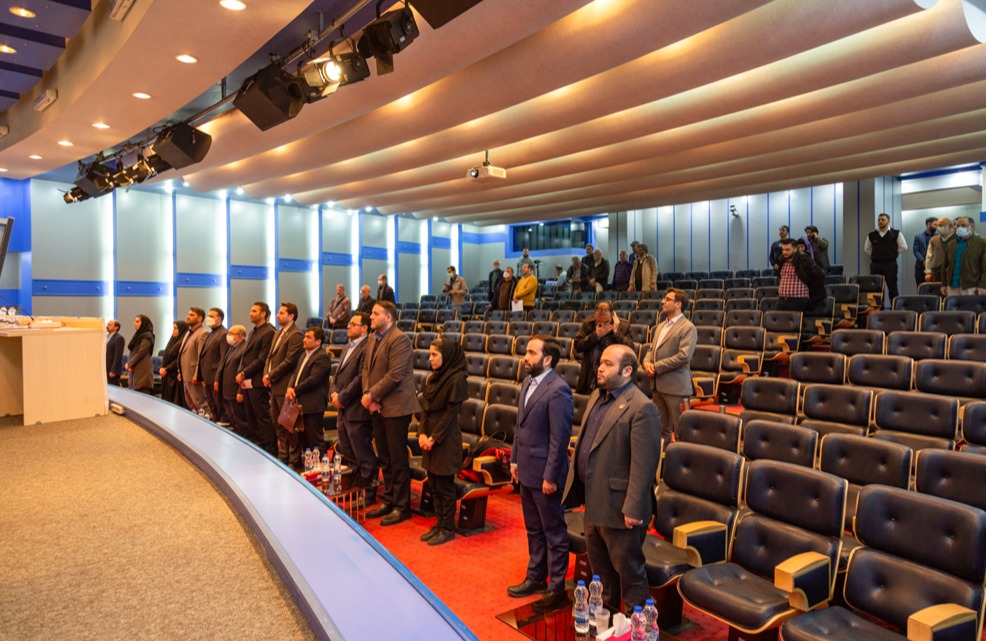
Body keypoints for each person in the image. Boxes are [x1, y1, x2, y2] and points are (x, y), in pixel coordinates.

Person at [563, 344, 661, 613]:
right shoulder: (597, 396)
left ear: (627, 371)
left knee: (630, 577)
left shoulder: (642, 407)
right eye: (600, 363)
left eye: (608, 364)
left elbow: (644, 465)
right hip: (594, 502)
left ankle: (636, 626)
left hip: (621, 510)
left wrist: (633, 508)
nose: (600, 368)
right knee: (602, 576)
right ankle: (606, 622)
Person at [508, 336, 574, 609]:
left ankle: (556, 588)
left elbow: (560, 439)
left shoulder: (559, 390)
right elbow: (519, 427)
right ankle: (536, 576)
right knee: (533, 529)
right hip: (526, 469)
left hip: (546, 475)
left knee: (554, 533)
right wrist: (514, 460)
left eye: (532, 353)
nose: (525, 357)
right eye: (526, 352)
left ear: (547, 359)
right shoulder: (527, 382)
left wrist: (550, 476)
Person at [362, 301, 420, 526]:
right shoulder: (372, 338)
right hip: (377, 405)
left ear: (388, 317)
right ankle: (389, 500)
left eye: (375, 313)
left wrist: (372, 396)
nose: (371, 316)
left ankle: (402, 506)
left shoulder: (399, 339)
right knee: (384, 458)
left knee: (397, 459)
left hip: (396, 407)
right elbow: (366, 370)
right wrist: (369, 395)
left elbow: (395, 375)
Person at [418, 337, 467, 547]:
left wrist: (433, 438)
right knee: (434, 484)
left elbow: (450, 414)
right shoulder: (432, 378)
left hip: (445, 439)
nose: (430, 359)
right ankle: (439, 524)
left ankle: (448, 528)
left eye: (434, 354)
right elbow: (425, 409)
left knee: (445, 487)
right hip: (429, 436)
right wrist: (421, 434)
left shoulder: (457, 378)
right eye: (429, 354)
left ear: (446, 356)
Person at [642, 288, 697, 443]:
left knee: (681, 430)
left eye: (667, 299)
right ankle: (663, 456)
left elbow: (683, 356)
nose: (663, 302)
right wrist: (646, 362)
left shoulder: (688, 327)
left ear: (678, 304)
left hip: (676, 387)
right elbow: (651, 349)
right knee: (660, 428)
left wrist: (656, 366)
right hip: (657, 385)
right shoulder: (660, 326)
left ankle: (683, 457)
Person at [331, 312, 377, 490]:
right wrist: (334, 393)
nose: (348, 326)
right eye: (349, 324)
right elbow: (337, 375)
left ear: (364, 328)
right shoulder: (347, 347)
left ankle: (368, 491)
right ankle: (355, 486)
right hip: (343, 409)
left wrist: (342, 397)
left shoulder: (367, 347)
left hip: (357, 408)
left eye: (353, 324)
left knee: (362, 453)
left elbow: (360, 378)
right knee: (348, 451)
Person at [286, 326, 332, 464]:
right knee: (303, 440)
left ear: (318, 341)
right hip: (300, 404)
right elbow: (295, 374)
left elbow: (313, 380)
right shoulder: (304, 354)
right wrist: (290, 387)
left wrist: (295, 390)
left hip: (313, 405)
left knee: (315, 441)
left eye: (308, 337)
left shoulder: (322, 357)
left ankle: (321, 468)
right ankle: (309, 467)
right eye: (304, 336)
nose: (304, 339)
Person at [266, 302, 304, 468]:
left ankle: (294, 459)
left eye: (281, 313)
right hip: (274, 385)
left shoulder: (295, 335)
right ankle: (283, 456)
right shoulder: (278, 332)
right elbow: (270, 357)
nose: (277, 315)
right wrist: (266, 374)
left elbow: (289, 362)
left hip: (285, 385)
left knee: (289, 425)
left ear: (291, 316)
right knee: (277, 422)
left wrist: (271, 375)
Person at [236, 302, 275, 451]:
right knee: (251, 418)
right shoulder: (253, 331)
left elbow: (262, 359)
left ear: (263, 314)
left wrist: (244, 372)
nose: (250, 313)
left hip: (258, 381)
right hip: (248, 381)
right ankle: (257, 447)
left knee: (262, 419)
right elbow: (246, 357)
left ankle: (270, 450)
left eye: (254, 311)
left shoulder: (269, 332)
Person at [573, 302, 634, 394]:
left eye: (606, 322)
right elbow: (577, 345)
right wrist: (596, 335)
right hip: (589, 374)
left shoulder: (624, 326)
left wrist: (616, 333)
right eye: (599, 322)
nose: (602, 325)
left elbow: (630, 350)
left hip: (611, 376)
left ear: (613, 315)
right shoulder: (589, 323)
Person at [864, 213, 907, 307]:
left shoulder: (896, 233)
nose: (880, 221)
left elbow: (904, 247)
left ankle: (894, 309)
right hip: (876, 264)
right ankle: (879, 309)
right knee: (876, 289)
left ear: (888, 221)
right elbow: (866, 249)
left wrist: (892, 254)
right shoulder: (872, 234)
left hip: (890, 264)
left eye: (883, 220)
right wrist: (877, 255)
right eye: (879, 220)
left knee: (892, 288)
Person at [775, 239, 826, 312]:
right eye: (783, 250)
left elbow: (820, 275)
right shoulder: (781, 261)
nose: (784, 252)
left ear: (795, 249)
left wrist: (812, 294)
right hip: (782, 299)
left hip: (799, 300)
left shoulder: (804, 260)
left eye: (788, 250)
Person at [940, 216, 986, 296]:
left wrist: (983, 285)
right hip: (952, 287)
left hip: (971, 287)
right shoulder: (951, 244)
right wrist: (943, 284)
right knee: (951, 304)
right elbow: (945, 265)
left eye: (963, 225)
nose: (959, 228)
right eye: (957, 226)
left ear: (972, 227)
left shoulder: (981, 243)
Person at [198, 307, 228, 424]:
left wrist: (217, 379)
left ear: (219, 319)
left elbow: (223, 358)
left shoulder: (223, 334)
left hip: (215, 375)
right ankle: (214, 420)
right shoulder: (211, 333)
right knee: (211, 404)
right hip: (207, 376)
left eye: (211, 316)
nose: (208, 318)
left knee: (219, 403)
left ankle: (223, 422)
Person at [217, 325, 248, 435]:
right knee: (233, 418)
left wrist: (240, 391)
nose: (228, 336)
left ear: (240, 336)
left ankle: (244, 439)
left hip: (235, 390)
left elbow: (243, 371)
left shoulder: (244, 348)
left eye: (231, 333)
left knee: (240, 420)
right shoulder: (232, 348)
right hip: (227, 390)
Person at [178, 307, 209, 414]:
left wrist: (198, 374)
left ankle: (205, 421)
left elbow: (201, 357)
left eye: (191, 315)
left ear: (200, 318)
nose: (188, 317)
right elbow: (183, 354)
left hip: (194, 376)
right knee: (191, 405)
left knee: (201, 404)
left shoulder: (203, 333)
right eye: (188, 314)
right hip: (185, 374)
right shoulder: (188, 333)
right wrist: (180, 371)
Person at [159, 320, 187, 407]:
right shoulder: (172, 340)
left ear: (181, 330)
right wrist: (161, 367)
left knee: (175, 403)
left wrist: (166, 368)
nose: (173, 330)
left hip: (175, 376)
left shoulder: (182, 342)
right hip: (166, 375)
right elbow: (166, 356)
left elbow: (179, 359)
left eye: (175, 328)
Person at [125, 315, 155, 395]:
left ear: (144, 323)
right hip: (135, 370)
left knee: (142, 396)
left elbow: (142, 352)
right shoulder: (138, 335)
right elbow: (133, 352)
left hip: (142, 371)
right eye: (134, 321)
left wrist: (130, 364)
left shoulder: (147, 336)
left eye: (137, 321)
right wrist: (130, 364)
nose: (134, 323)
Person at [925, 217, 955, 283]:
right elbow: (929, 257)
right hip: (937, 272)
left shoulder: (958, 239)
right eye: (937, 225)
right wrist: (928, 272)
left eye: (941, 225)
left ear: (950, 226)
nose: (938, 228)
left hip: (953, 272)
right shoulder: (933, 240)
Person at [913, 217, 937, 287]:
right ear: (929, 224)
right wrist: (923, 261)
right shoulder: (918, 237)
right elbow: (916, 251)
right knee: (920, 286)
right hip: (920, 266)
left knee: (934, 287)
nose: (937, 226)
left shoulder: (939, 236)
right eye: (935, 224)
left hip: (934, 265)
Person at [105, 319, 125, 387]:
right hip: (105, 369)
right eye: (107, 324)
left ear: (116, 327)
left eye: (109, 325)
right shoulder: (106, 336)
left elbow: (118, 356)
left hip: (112, 371)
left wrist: (113, 370)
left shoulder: (119, 338)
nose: (107, 326)